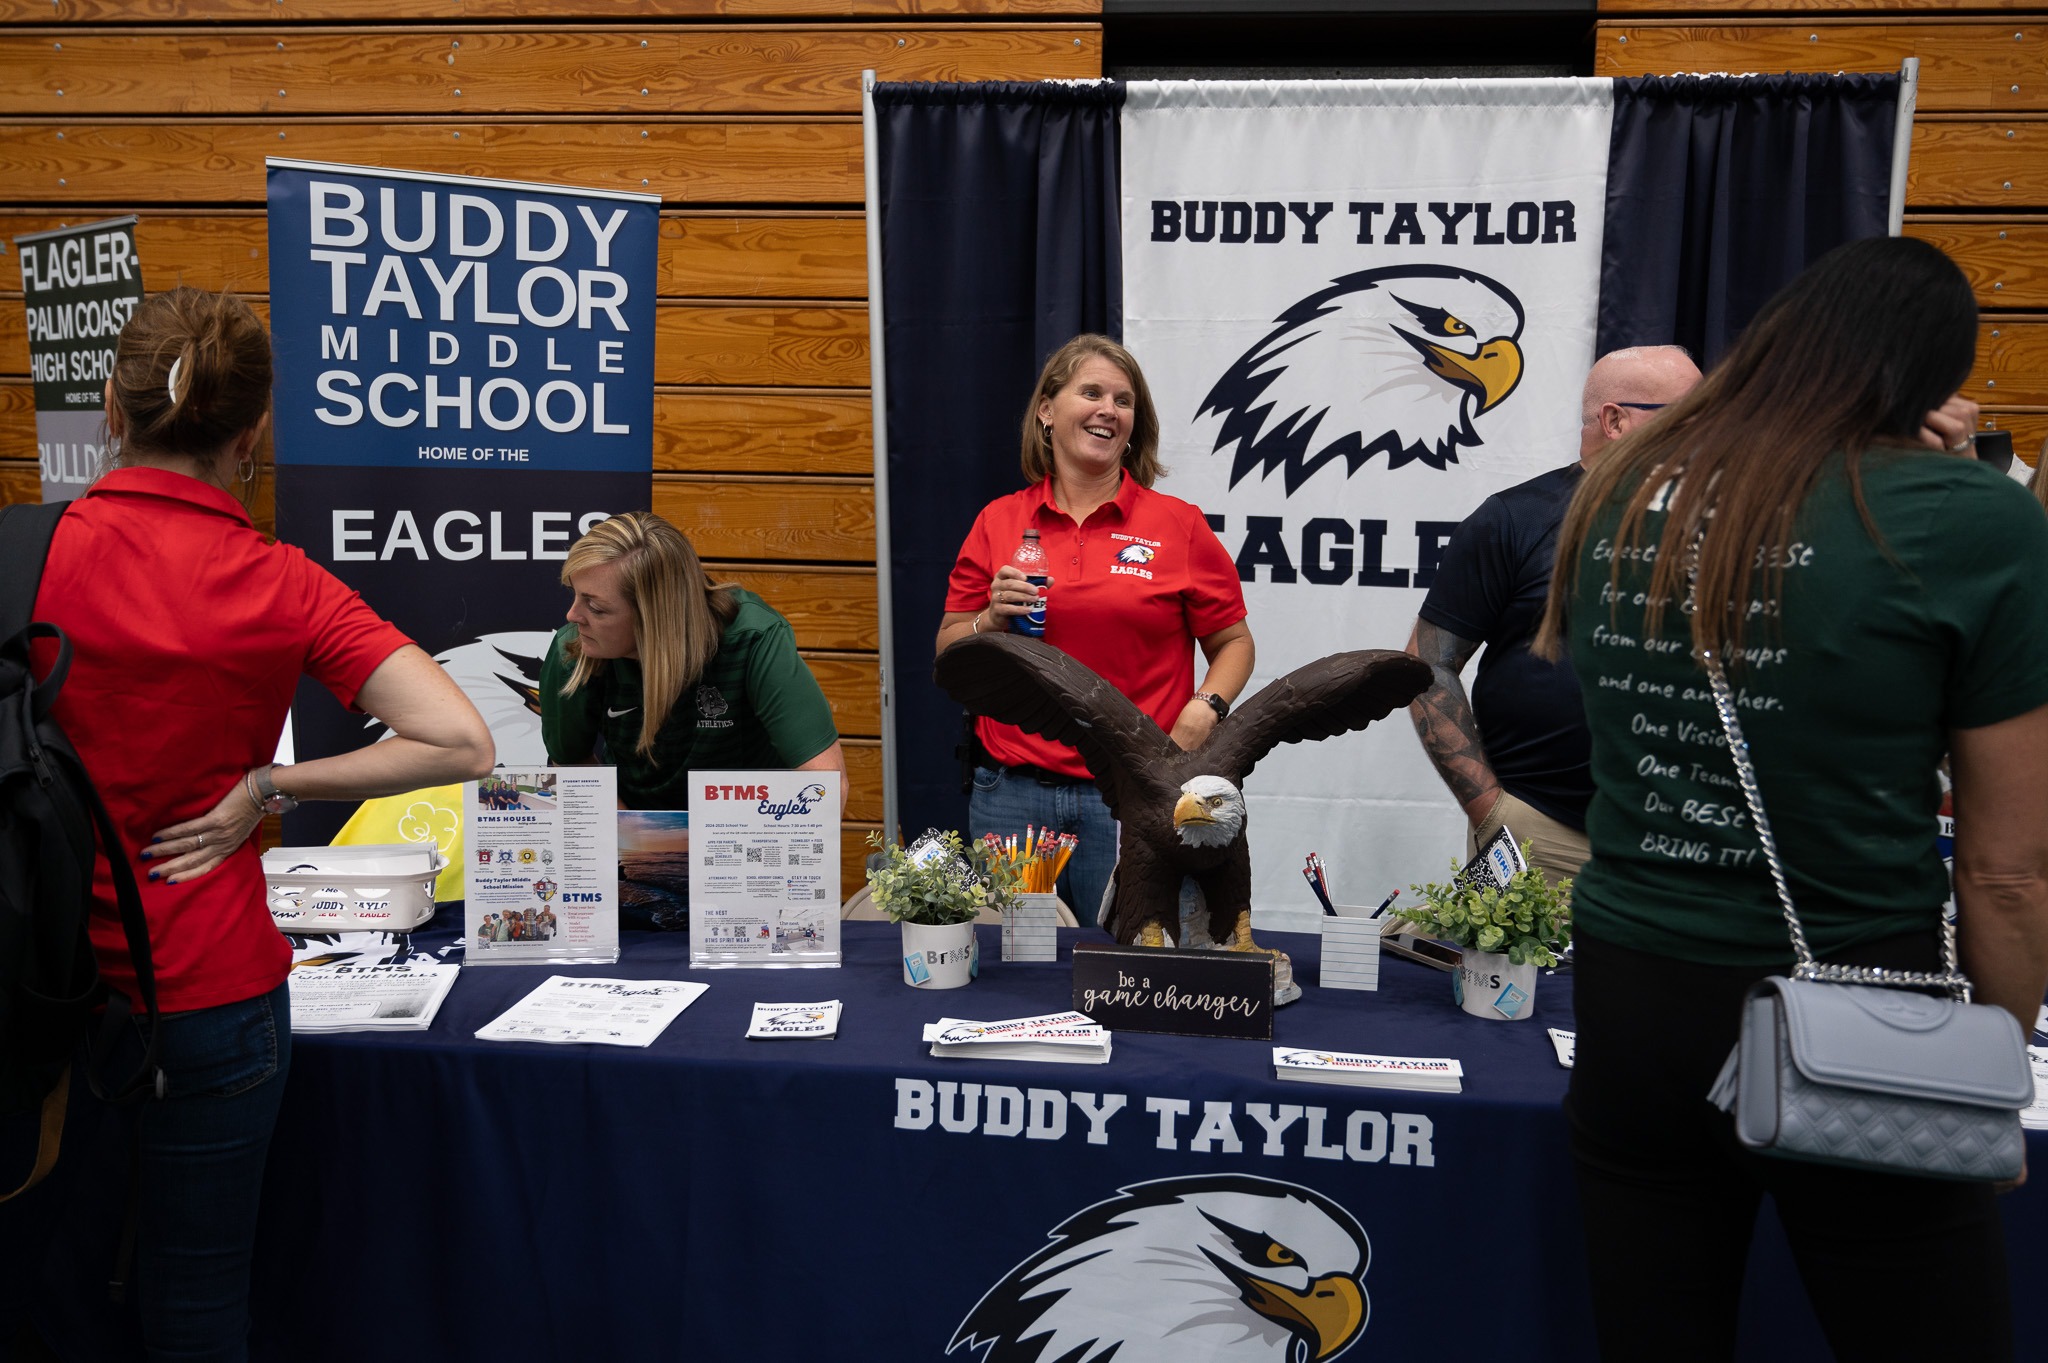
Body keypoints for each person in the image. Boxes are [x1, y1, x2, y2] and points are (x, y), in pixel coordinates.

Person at [1533, 236, 2048, 1360]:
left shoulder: (1620, 494)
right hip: (1860, 998)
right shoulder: (1969, 519)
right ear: (1927, 376)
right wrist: (1987, 1077)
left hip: (1630, 1001)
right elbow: (2005, 873)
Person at [5, 287, 495, 1361]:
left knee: (26, 1286)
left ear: (109, 407)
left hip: (26, 979)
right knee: (197, 1302)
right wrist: (270, 785)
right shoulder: (280, 583)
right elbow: (461, 742)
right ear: (258, 427)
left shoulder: (22, 555)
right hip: (207, 992)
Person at [936, 335, 1253, 923]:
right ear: (1047, 411)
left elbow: (1234, 642)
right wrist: (989, 620)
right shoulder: (999, 521)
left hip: (1135, 792)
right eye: (1092, 392)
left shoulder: (1176, 524)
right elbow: (950, 650)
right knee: (1015, 980)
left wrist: (1205, 707)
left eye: (1124, 400)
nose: (1110, 409)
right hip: (1014, 796)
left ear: (1134, 426)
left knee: (1139, 967)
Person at [1406, 345, 1700, 883]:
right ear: (1615, 419)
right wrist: (1490, 809)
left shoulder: (1727, 526)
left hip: (1685, 841)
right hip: (1541, 833)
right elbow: (1428, 665)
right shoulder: (1516, 519)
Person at [540, 510, 845, 812]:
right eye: (575, 595)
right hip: (637, 832)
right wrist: (637, 840)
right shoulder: (575, 649)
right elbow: (572, 766)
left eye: (596, 607)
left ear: (653, 616)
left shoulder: (752, 638)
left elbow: (825, 784)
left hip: (750, 830)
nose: (572, 616)